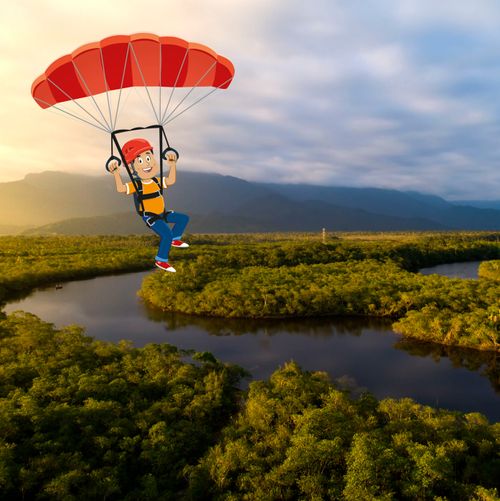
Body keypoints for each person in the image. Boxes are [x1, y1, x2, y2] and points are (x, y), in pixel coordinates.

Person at [108, 138, 189, 272]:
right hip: (151, 217)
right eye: (140, 161)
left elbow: (170, 181)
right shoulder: (137, 185)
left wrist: (172, 165)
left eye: (149, 158)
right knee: (166, 235)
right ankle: (161, 260)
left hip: (162, 213)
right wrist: (116, 174)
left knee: (183, 219)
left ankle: (175, 239)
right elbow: (122, 189)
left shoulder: (156, 181)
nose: (147, 164)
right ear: (131, 167)